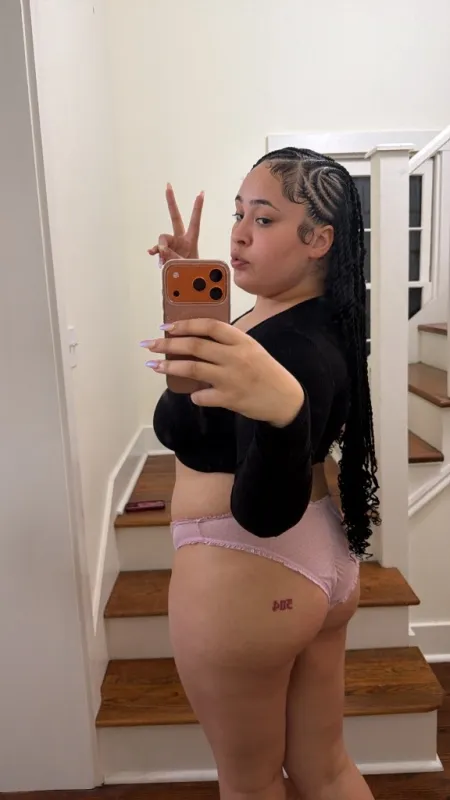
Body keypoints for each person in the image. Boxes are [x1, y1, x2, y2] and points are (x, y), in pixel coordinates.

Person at [143, 148, 380, 800]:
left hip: (249, 569)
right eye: (238, 214)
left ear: (319, 240)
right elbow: (198, 414)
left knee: (250, 784)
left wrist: (284, 418)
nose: (241, 234)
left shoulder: (290, 348)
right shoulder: (296, 320)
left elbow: (263, 511)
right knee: (325, 769)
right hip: (317, 560)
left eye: (265, 219)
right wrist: (190, 305)